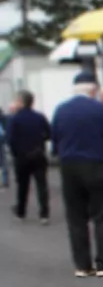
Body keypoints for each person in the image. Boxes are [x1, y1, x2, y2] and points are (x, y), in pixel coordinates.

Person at [51, 72, 103, 277]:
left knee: (76, 216)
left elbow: (54, 139)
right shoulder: (100, 110)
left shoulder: (61, 109)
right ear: (93, 90)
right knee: (102, 214)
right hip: (96, 164)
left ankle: (82, 265)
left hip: (68, 166)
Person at [7, 90, 52, 225]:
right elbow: (49, 134)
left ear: (20, 102)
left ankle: (21, 212)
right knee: (41, 185)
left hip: (22, 157)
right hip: (38, 155)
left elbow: (10, 139)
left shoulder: (14, 118)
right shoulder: (40, 117)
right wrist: (40, 142)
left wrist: (16, 152)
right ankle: (44, 214)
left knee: (22, 185)